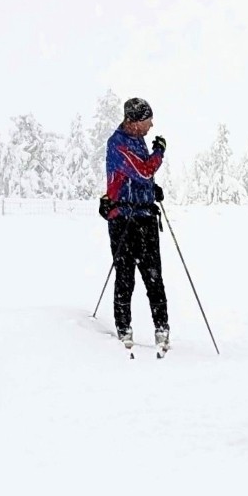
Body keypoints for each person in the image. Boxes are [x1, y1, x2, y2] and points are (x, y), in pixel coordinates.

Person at [102, 97, 170, 352]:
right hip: (123, 219)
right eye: (147, 120)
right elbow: (142, 171)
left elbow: (140, 178)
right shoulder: (117, 144)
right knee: (126, 276)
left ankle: (162, 328)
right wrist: (160, 152)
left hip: (145, 217)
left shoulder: (138, 140)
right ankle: (124, 329)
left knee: (154, 277)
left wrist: (152, 191)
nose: (151, 125)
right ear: (133, 121)